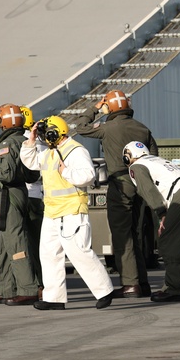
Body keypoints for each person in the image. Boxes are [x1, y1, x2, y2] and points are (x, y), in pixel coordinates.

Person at [21, 116, 115, 310]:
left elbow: (88, 176)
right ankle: (54, 298)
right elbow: (30, 162)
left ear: (55, 132)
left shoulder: (75, 150)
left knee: (79, 252)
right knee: (49, 255)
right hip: (52, 212)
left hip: (71, 211)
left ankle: (104, 290)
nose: (43, 137)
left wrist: (66, 172)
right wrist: (30, 141)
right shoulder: (49, 152)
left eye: (45, 133)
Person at [72, 89, 157, 297]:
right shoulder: (143, 129)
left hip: (120, 183)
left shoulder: (108, 128)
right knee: (135, 232)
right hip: (141, 182)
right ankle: (142, 282)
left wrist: (95, 109)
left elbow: (81, 127)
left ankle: (130, 284)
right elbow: (154, 156)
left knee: (122, 234)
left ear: (109, 107)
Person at [123, 141, 180, 302]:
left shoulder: (136, 167)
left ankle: (174, 289)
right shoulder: (155, 160)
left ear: (128, 156)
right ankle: (174, 286)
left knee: (168, 242)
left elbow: (148, 190)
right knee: (178, 242)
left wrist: (161, 213)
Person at [0, 104, 40, 305]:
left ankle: (27, 288)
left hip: (10, 193)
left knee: (16, 243)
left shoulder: (7, 144)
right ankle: (5, 288)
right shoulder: (23, 141)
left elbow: (5, 174)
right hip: (16, 194)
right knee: (3, 246)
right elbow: (33, 173)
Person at [20, 105, 45, 288]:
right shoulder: (42, 142)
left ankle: (33, 284)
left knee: (26, 244)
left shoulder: (21, 142)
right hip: (38, 196)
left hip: (26, 196)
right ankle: (42, 284)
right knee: (38, 244)